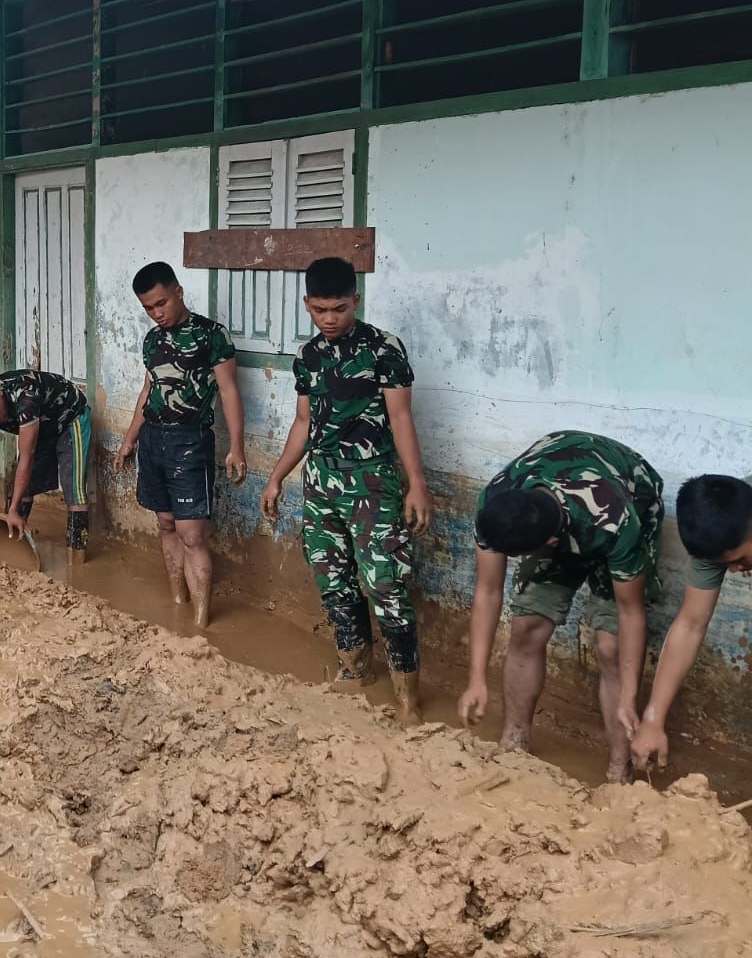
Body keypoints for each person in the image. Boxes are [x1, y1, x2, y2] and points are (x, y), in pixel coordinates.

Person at [261, 256, 431, 725]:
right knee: (332, 579)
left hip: (373, 481)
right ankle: (355, 671)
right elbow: (302, 423)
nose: (329, 319)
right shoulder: (308, 357)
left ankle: (408, 700)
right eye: (319, 310)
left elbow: (400, 419)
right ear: (307, 305)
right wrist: (277, 477)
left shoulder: (384, 350)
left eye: (338, 308)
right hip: (320, 483)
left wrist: (416, 483)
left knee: (386, 585)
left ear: (355, 301)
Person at [459, 431, 662, 782]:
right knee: (527, 626)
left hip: (630, 499)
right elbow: (488, 590)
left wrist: (630, 697)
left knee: (611, 647)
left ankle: (619, 771)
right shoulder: (497, 503)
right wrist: (476, 679)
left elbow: (631, 613)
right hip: (556, 507)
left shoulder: (615, 521)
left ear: (551, 542)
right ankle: (514, 744)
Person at [113, 261, 244, 629]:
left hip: (190, 440)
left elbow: (230, 390)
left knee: (192, 534)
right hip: (153, 438)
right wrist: (129, 440)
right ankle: (176, 602)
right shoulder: (152, 339)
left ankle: (201, 621)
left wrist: (237, 446)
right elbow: (148, 389)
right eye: (148, 308)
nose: (157, 314)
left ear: (178, 292)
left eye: (161, 303)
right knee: (166, 524)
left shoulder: (211, 335)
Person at [630, 474, 752, 772]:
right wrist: (652, 720)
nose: (735, 571)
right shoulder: (717, 533)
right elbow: (690, 624)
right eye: (724, 565)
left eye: (741, 559)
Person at [0, 370, 92, 565]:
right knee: (24, 489)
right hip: (40, 427)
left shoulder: (26, 396)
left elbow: (26, 458)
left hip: (70, 419)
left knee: (75, 493)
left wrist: (13, 509)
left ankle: (77, 562)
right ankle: (9, 545)